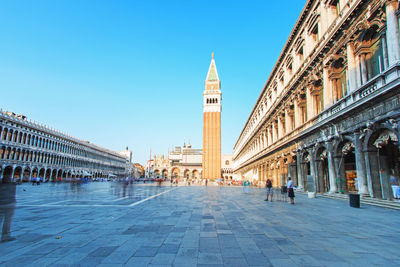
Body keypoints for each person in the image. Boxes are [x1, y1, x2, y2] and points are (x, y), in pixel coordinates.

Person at [0, 177, 17, 242]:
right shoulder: (12, 185)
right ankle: (5, 236)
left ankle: (6, 236)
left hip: (3, 204)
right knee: (7, 221)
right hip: (10, 204)